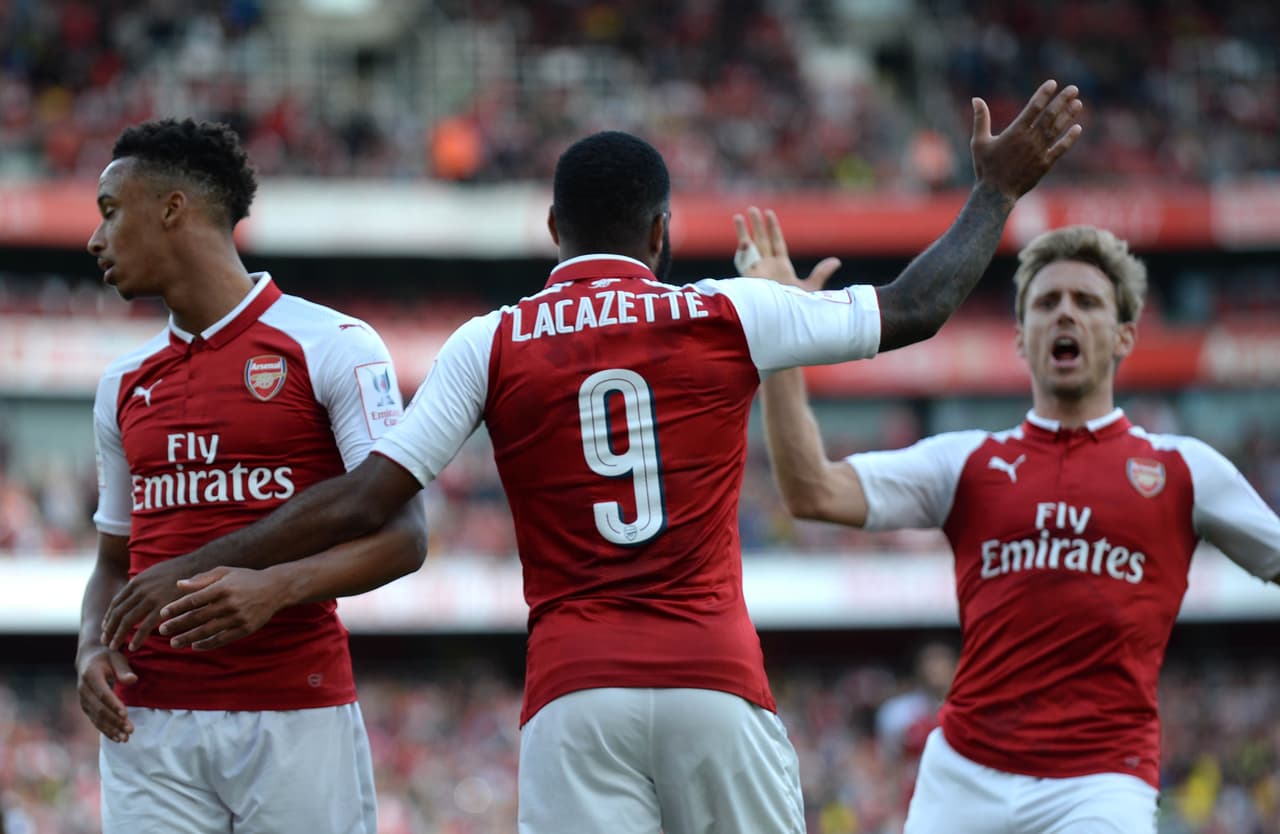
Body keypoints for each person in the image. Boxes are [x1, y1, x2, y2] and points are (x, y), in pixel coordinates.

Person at [104, 80, 1083, 833]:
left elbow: (369, 499)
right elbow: (915, 308)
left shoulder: (490, 340)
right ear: (660, 233)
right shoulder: (723, 311)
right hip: (712, 678)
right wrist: (993, 191)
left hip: (572, 694)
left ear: (550, 232)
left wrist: (188, 564)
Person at [749, 220, 1280, 833]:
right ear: (1021, 339)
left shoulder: (1186, 471)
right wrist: (781, 339)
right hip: (965, 774)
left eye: (1087, 302)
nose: (1065, 315)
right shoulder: (966, 463)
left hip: (1102, 780)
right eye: (1046, 303)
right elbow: (812, 490)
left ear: (1125, 335)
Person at [76, 117, 427, 834]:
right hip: (151, 726)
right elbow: (115, 561)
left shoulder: (332, 344)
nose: (95, 239)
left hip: (296, 711)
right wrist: (89, 645)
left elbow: (405, 539)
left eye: (111, 213)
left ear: (173, 208)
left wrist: (278, 587)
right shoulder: (121, 383)